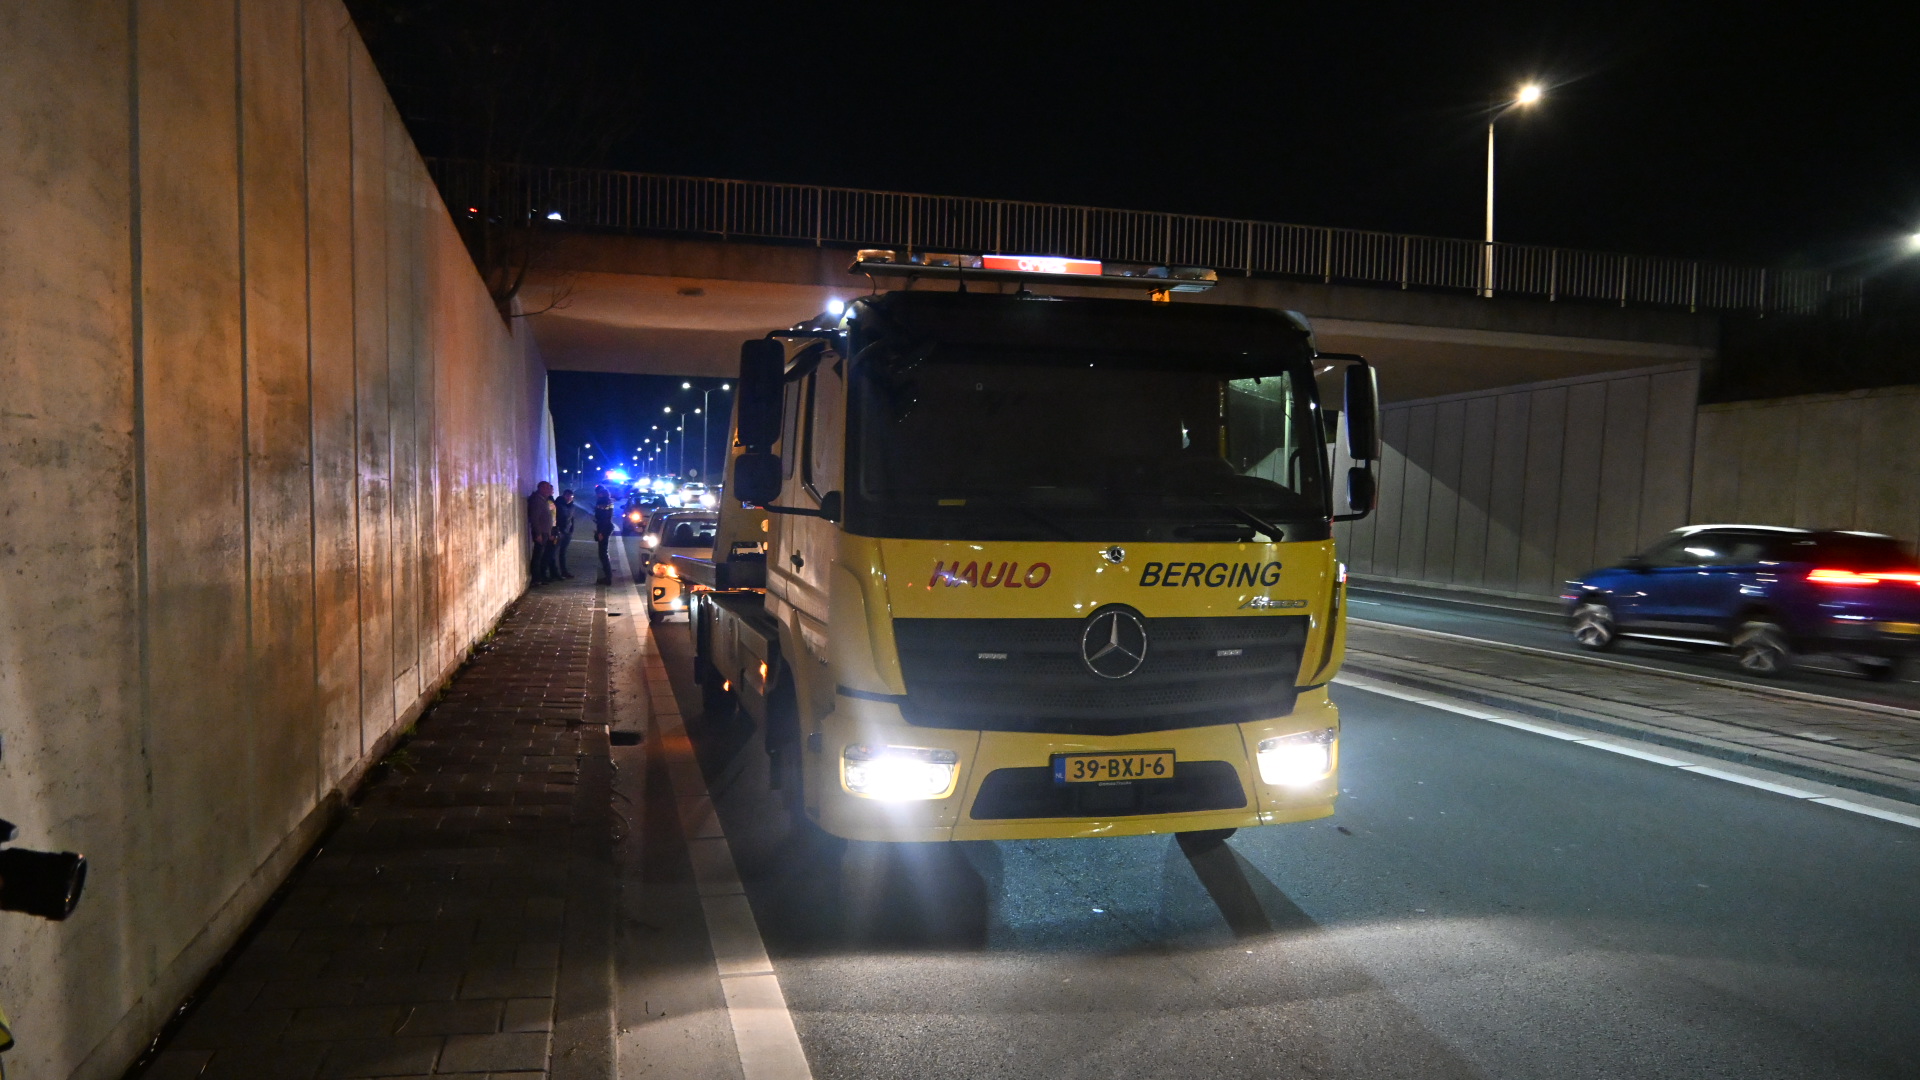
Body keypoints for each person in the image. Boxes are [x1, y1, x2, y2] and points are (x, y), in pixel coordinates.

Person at [527, 480, 557, 584]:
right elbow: (535, 518)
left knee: (542, 555)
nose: (549, 490)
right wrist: (538, 533)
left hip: (545, 532)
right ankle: (536, 579)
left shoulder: (543, 500)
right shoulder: (537, 500)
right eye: (547, 488)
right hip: (541, 533)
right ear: (541, 488)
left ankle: (539, 577)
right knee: (538, 556)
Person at [593, 485, 616, 585]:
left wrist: (600, 532)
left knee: (602, 553)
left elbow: (603, 518)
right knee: (604, 552)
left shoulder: (602, 502)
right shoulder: (608, 501)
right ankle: (607, 575)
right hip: (607, 527)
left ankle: (607, 577)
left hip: (604, 528)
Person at [554, 488, 578, 579]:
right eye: (567, 496)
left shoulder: (572, 506)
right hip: (558, 532)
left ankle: (564, 571)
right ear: (564, 496)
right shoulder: (558, 505)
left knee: (563, 552)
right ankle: (554, 572)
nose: (569, 498)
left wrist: (571, 530)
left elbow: (572, 519)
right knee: (553, 552)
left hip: (567, 533)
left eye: (571, 497)